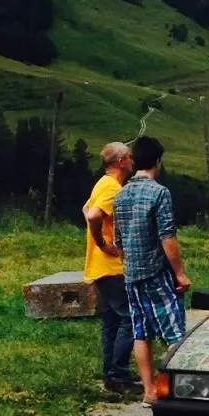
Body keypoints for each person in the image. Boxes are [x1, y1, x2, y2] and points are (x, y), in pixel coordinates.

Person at [113, 134, 191, 404]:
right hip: (157, 272)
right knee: (175, 333)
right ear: (158, 161)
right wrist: (179, 272)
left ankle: (149, 391)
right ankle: (181, 389)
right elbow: (167, 237)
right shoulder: (159, 192)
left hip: (131, 273)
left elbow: (119, 242)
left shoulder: (120, 195)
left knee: (141, 332)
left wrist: (129, 262)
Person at [83, 140, 135, 394]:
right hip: (112, 265)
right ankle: (118, 374)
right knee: (130, 318)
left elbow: (86, 209)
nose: (133, 161)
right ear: (120, 161)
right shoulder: (113, 188)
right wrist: (104, 243)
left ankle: (111, 374)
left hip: (100, 265)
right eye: (130, 157)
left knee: (113, 320)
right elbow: (93, 215)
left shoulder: (103, 184)